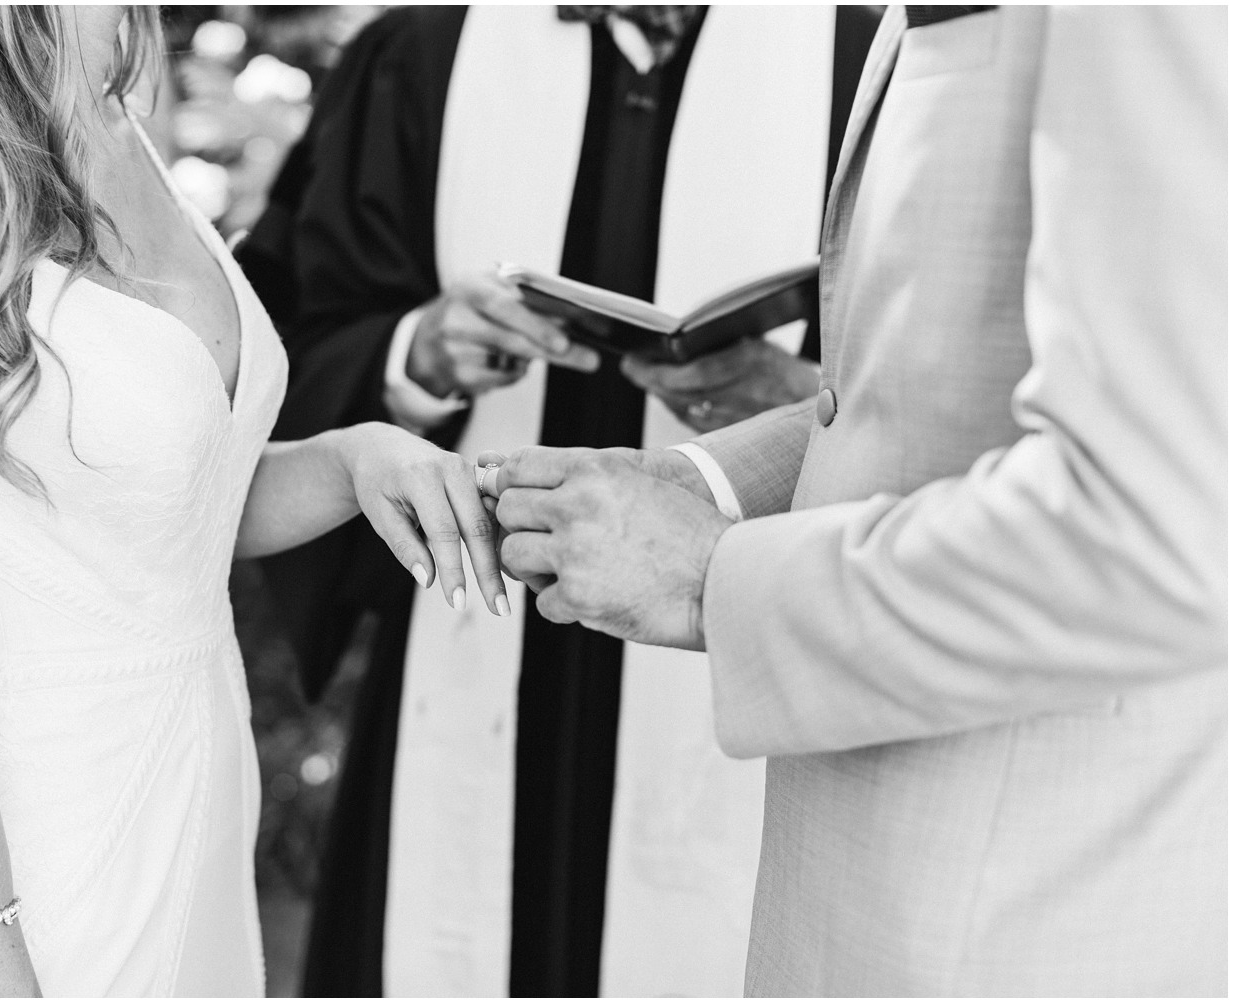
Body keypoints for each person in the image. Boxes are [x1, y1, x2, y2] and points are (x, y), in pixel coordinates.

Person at [486, 5, 1227, 994]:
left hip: (1021, 920)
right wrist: (694, 482)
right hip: (873, 893)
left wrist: (709, 577)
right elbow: (924, 395)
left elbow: (1155, 531)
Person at [0, 7, 504, 996]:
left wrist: (347, 457)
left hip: (199, 813)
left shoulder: (116, 115)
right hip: (35, 867)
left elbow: (156, 517)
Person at [240, 5, 880, 995]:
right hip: (468, 632)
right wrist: (415, 354)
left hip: (722, 633)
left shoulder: (858, 60)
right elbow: (280, 358)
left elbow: (940, 393)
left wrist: (791, 406)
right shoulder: (423, 54)